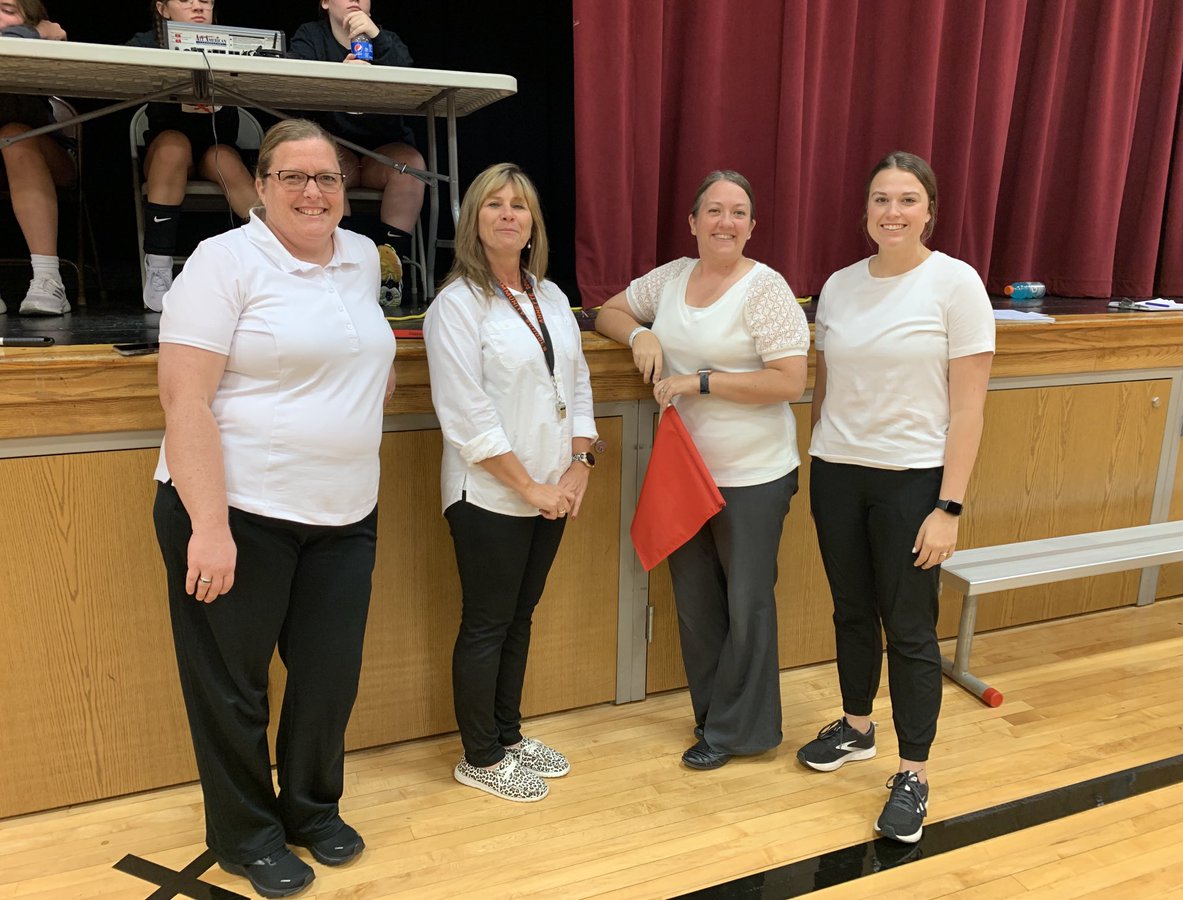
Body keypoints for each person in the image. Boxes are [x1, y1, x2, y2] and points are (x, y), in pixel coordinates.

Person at [152, 118, 396, 898]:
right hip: (238, 512)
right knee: (234, 687)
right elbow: (184, 401)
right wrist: (210, 526)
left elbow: (363, 354)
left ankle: (311, 809)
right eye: (292, 176)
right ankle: (247, 835)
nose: (312, 192)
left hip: (345, 514)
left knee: (329, 678)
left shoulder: (359, 256)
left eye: (326, 177)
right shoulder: (223, 262)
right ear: (260, 187)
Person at [796, 151, 994, 844]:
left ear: (929, 210)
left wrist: (950, 507)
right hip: (839, 474)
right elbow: (826, 382)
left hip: (915, 481)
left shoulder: (956, 285)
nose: (893, 211)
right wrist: (818, 454)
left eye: (907, 199)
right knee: (851, 610)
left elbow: (968, 411)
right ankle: (856, 727)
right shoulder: (840, 285)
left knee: (908, 630)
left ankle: (913, 772)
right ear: (867, 210)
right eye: (881, 198)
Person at [595, 170, 809, 771]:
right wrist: (639, 332)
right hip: (685, 471)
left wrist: (700, 381)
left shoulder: (766, 289)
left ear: (752, 226)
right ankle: (713, 718)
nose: (725, 223)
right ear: (692, 222)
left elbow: (789, 381)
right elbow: (607, 311)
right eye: (713, 211)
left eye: (738, 213)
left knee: (747, 603)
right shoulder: (669, 279)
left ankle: (745, 731)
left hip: (754, 475)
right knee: (695, 602)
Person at [424, 162, 597, 802]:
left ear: (532, 223)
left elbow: (576, 383)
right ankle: (479, 755)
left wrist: (581, 462)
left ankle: (509, 736)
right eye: (493, 204)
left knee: (520, 618)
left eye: (519, 205)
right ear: (474, 219)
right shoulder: (457, 304)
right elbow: (466, 416)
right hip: (491, 495)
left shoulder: (549, 296)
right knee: (488, 623)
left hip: (553, 489)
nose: (507, 214)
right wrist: (530, 487)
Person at [290, 0, 427, 306]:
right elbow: (294, 81)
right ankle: (343, 267)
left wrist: (376, 38)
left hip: (383, 149)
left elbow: (412, 81)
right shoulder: (311, 36)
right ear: (325, 2)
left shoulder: (385, 39)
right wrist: (338, 74)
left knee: (412, 165)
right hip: (337, 149)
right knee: (324, 166)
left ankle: (390, 272)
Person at [127, 0, 258, 312]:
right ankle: (159, 268)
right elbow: (123, 67)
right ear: (162, 8)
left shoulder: (231, 44)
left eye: (207, 2)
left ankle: (277, 256)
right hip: (168, 151)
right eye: (186, 0)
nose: (198, 7)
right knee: (174, 145)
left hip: (218, 148)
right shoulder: (150, 42)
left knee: (223, 158)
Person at [0, 0, 73, 316]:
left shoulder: (36, 42)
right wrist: (36, 31)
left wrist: (33, 33)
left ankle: (48, 280)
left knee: (15, 135)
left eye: (7, 8)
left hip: (46, 159)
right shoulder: (36, 32)